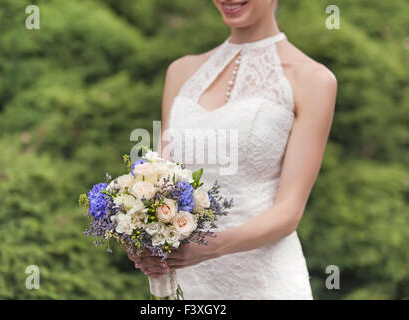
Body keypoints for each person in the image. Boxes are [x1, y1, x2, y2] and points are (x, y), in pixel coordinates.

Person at [128, 0, 337, 299]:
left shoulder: (313, 80)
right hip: (188, 282)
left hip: (266, 283)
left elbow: (289, 211)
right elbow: (159, 179)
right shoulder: (181, 72)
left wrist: (212, 246)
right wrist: (136, 232)